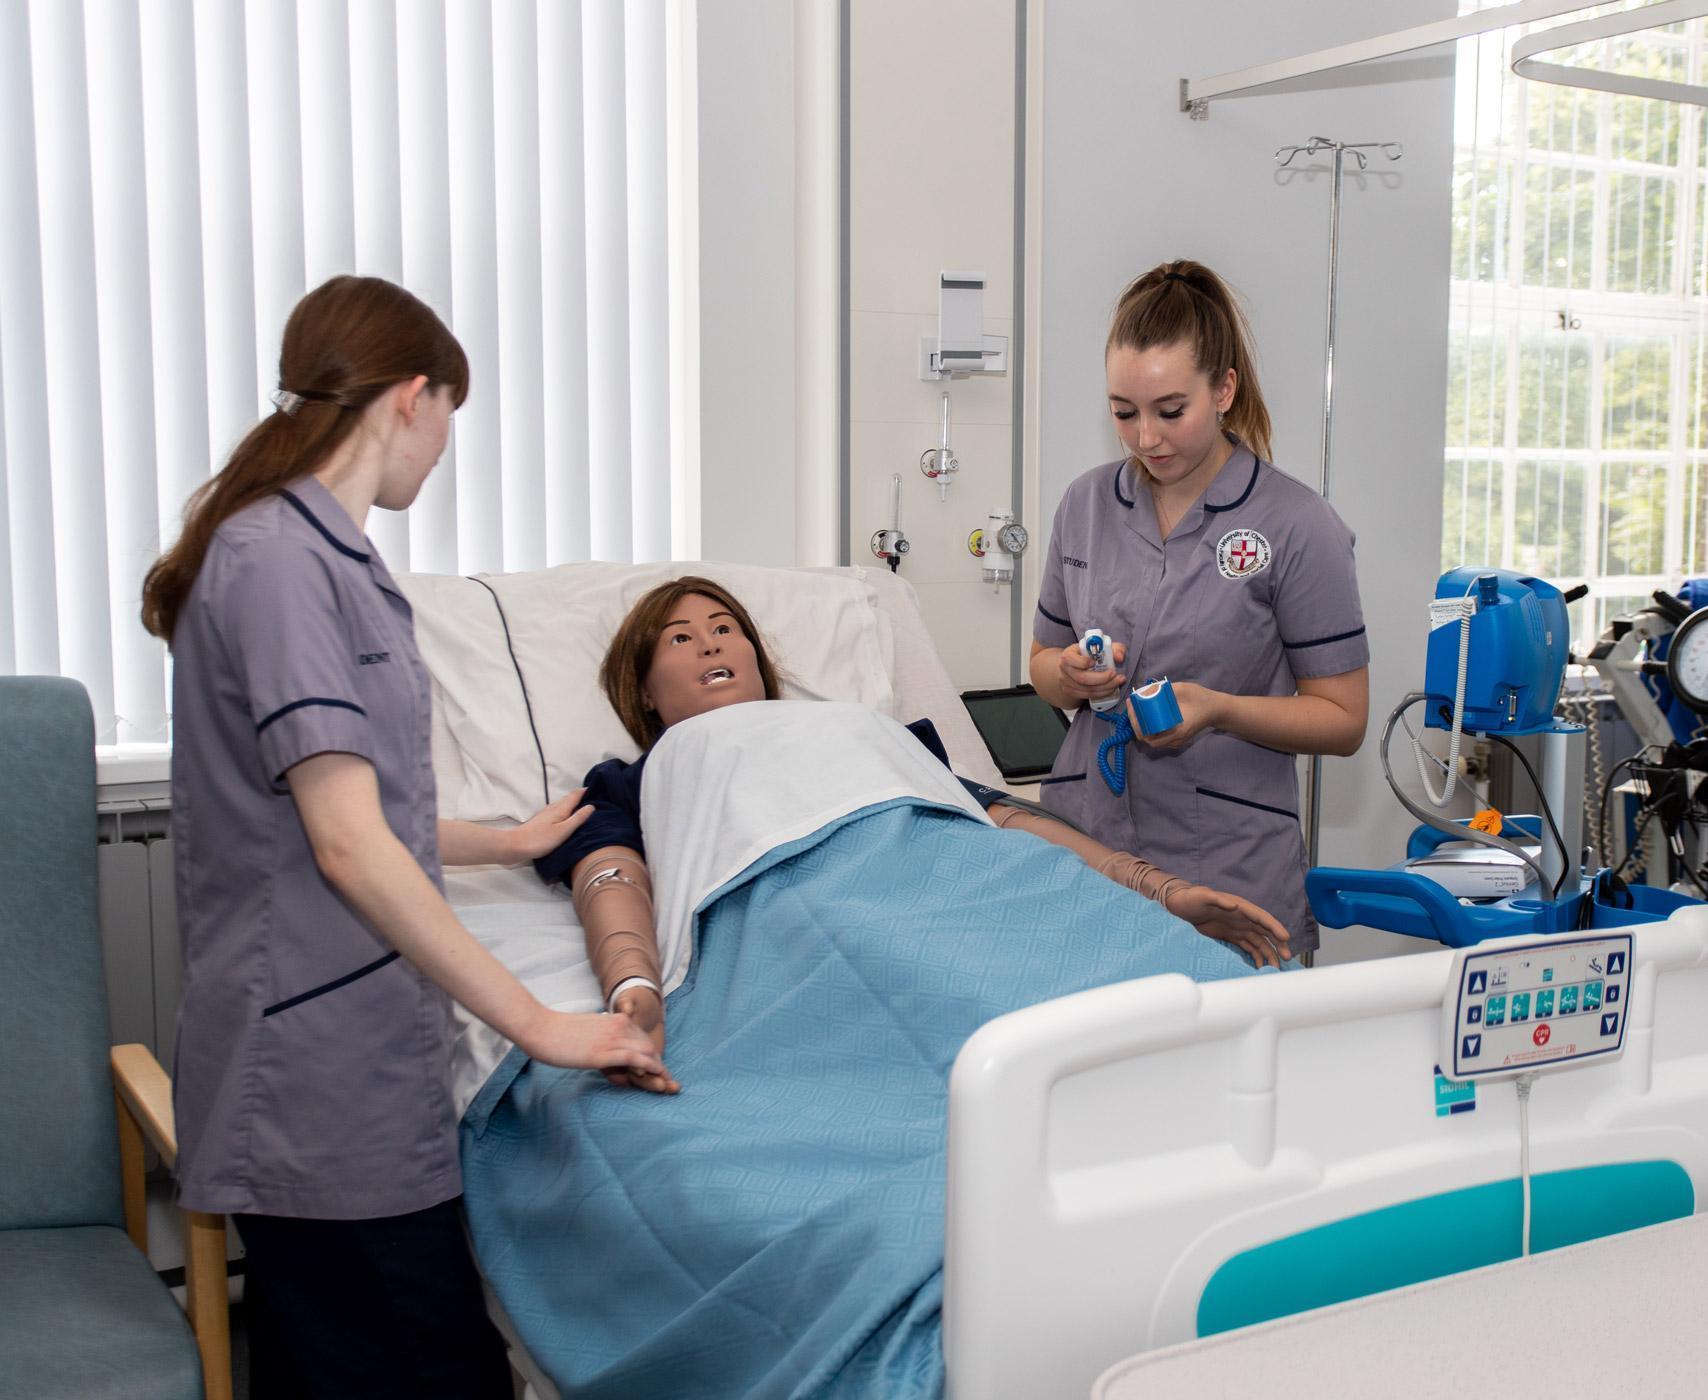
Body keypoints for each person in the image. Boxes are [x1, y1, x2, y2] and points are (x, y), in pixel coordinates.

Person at [141, 275, 663, 1398]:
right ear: (412, 397)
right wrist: (545, 1026)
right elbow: (344, 842)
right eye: (449, 417)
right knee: (433, 1366)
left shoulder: (320, 554)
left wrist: (505, 842)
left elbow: (347, 803)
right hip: (315, 1076)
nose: (441, 448)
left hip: (352, 1055)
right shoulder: (280, 563)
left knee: (323, 1362)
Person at [532, 578, 1293, 1053]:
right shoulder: (641, 777)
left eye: (725, 628)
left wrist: (1162, 892)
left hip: (971, 879)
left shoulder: (859, 727)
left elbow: (1000, 820)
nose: (710, 644)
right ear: (644, 691)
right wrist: (633, 990)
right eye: (681, 638)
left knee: (1181, 988)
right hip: (808, 913)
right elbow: (610, 877)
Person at [1028, 259, 1371, 957]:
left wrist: (1218, 709)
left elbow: (1344, 720)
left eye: (1170, 411)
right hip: (1089, 852)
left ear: (1224, 390)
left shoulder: (1296, 525)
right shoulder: (1085, 505)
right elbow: (1041, 665)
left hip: (1228, 870)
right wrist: (1068, 675)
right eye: (1123, 413)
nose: (1145, 438)